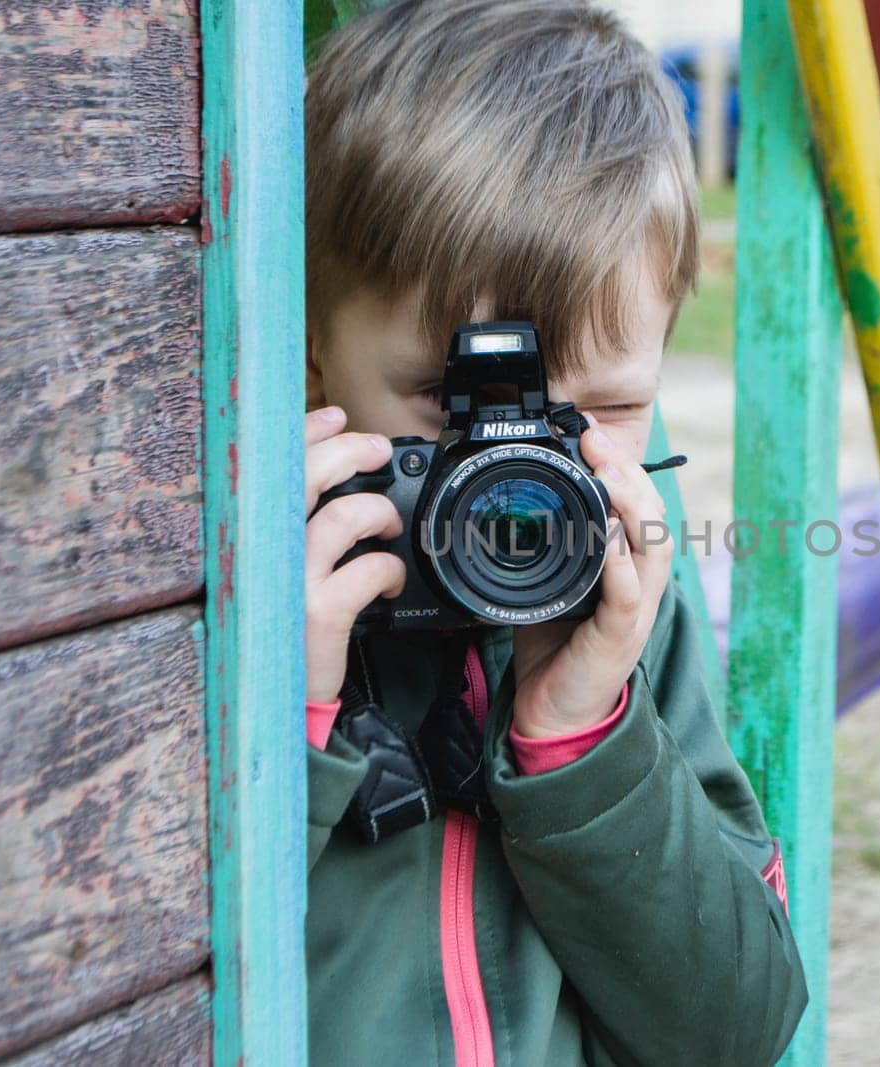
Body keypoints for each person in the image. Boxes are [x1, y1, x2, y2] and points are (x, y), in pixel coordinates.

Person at [298, 3, 808, 1065]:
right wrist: (284, 724)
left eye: (597, 412)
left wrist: (583, 732)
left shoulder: (622, 630)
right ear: (307, 361)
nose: (524, 476)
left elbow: (736, 1029)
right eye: (451, 400)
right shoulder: (239, 618)